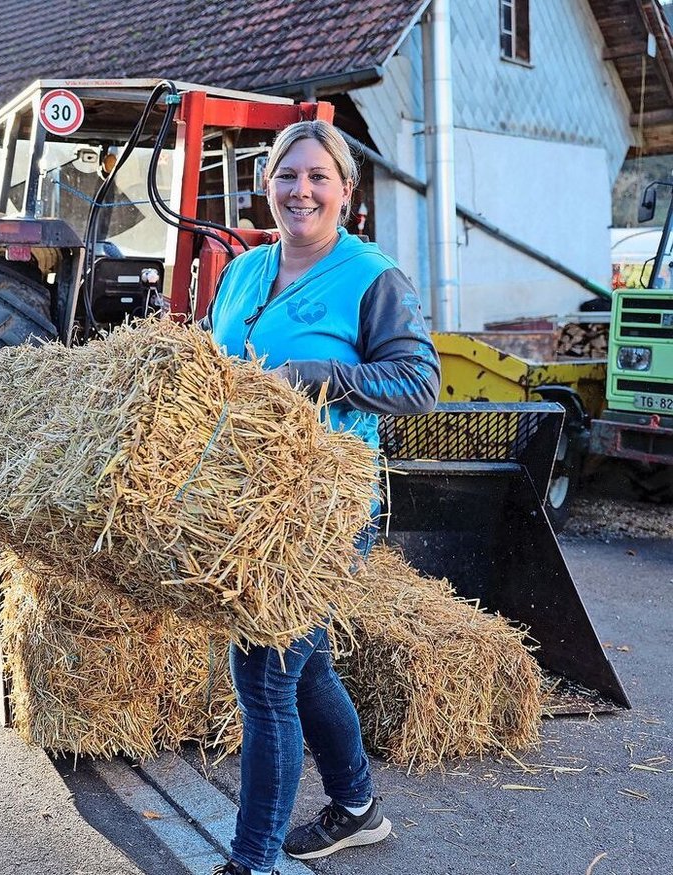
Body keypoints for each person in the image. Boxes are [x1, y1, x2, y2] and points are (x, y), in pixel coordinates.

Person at [200, 119, 440, 875]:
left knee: (266, 671)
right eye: (286, 175)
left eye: (316, 176)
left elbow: (419, 382)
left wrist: (318, 376)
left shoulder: (371, 276)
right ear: (265, 185)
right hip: (250, 505)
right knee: (304, 668)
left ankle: (252, 862)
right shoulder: (243, 272)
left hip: (330, 511)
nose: (300, 189)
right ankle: (359, 805)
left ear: (345, 190)